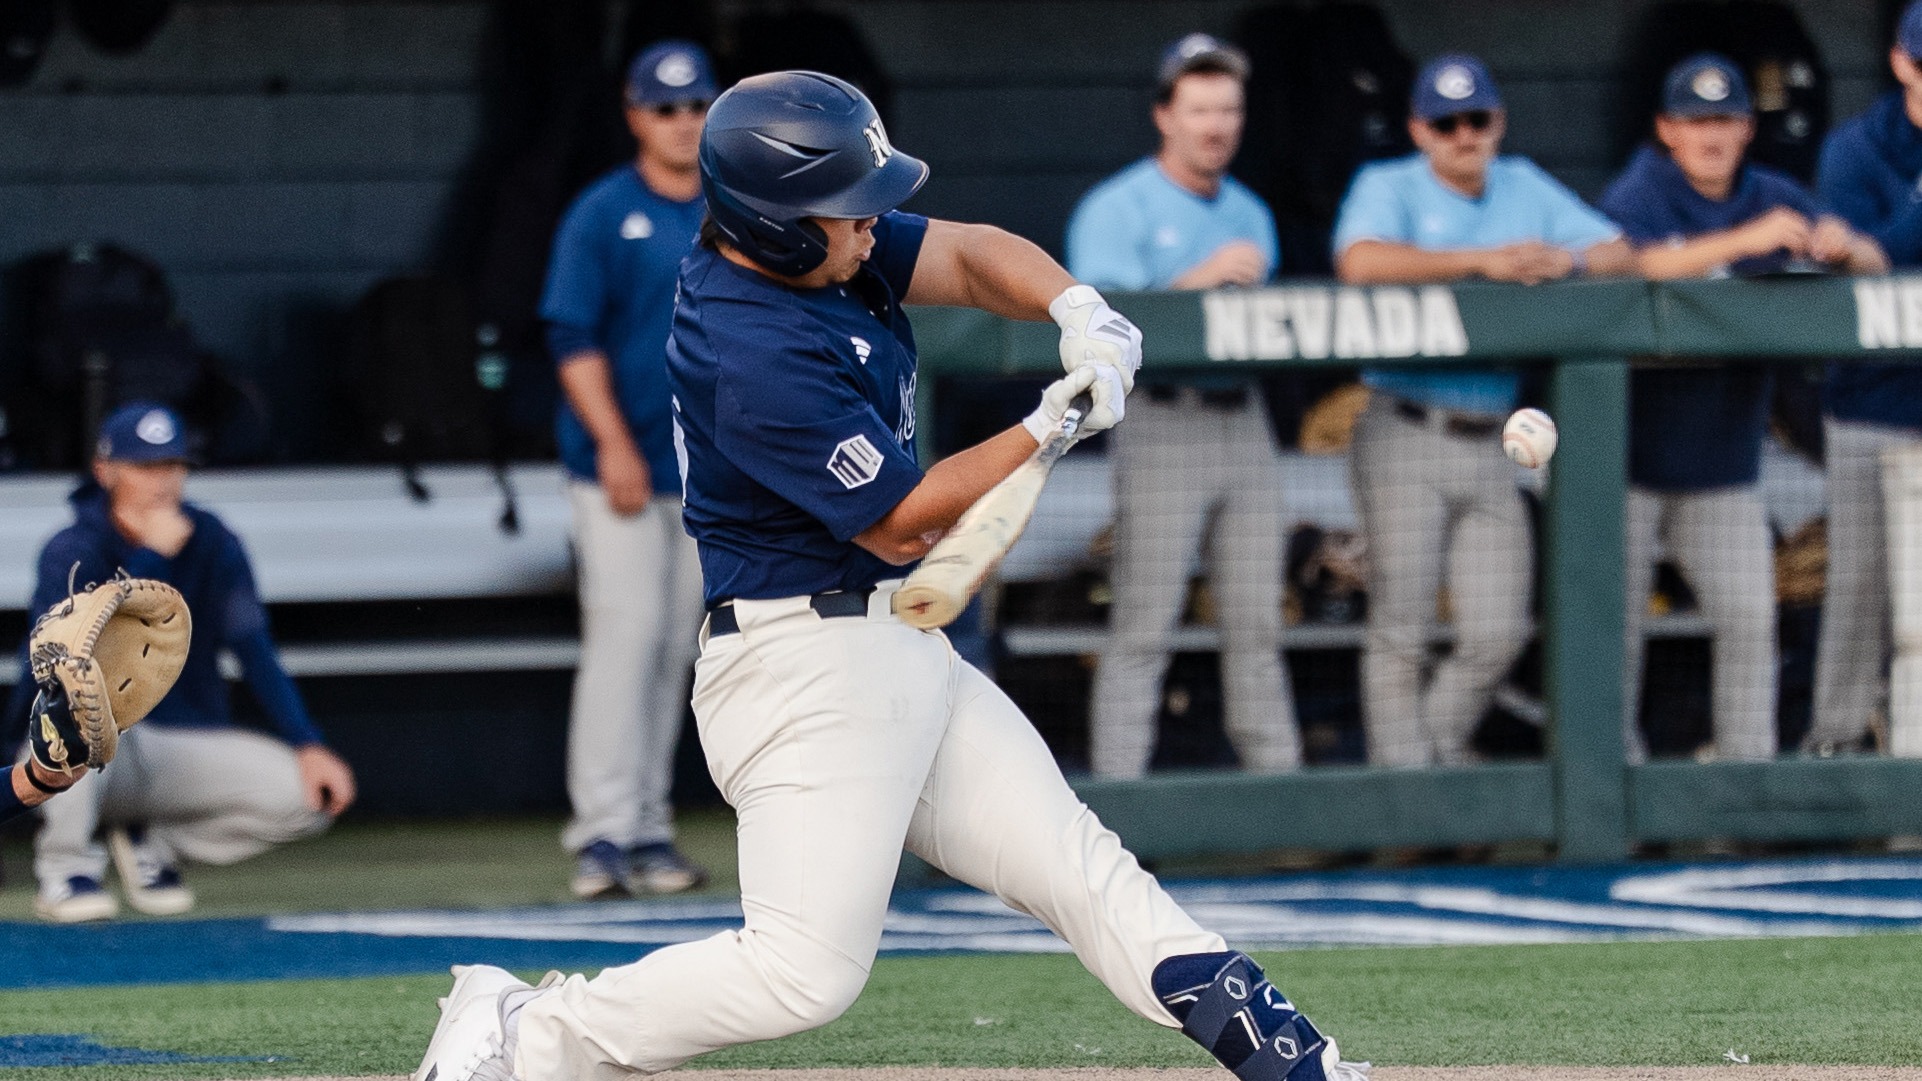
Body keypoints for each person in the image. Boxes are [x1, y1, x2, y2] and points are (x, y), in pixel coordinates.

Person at [414, 72, 1367, 1081]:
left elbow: (961, 252)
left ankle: (1293, 1062)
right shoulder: (747, 345)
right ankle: (523, 1037)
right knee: (800, 974)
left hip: (897, 646)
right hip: (800, 669)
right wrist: (1049, 424)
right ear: (777, 227)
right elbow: (900, 526)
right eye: (850, 213)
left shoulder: (825, 257)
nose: (874, 227)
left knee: (1076, 867)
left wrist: (1075, 308)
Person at [1333, 54, 1633, 767]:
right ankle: (1407, 797)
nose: (1464, 135)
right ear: (1419, 129)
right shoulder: (1389, 184)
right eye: (1447, 123)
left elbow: (1622, 250)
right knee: (1402, 623)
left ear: (1497, 122)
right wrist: (1480, 262)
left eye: (1477, 120)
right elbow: (1360, 262)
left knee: (1497, 628)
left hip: (1494, 434)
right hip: (1407, 420)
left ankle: (1427, 762)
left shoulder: (1523, 184)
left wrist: (1574, 264)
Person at [1599, 54, 1886, 763]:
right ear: (1667, 129)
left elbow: (1875, 266)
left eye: (1724, 120)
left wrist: (1842, 245)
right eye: (1695, 122)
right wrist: (1742, 244)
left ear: (1747, 128)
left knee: (1750, 623)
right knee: (1612, 633)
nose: (1711, 136)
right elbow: (1625, 261)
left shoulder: (1772, 192)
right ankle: (1616, 789)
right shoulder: (1644, 188)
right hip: (1624, 463)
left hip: (1723, 465)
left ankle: (1741, 789)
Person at [10, 403, 356, 923]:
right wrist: (149, 558)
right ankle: (66, 868)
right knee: (71, 726)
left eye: (173, 466)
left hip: (176, 744)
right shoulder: (72, 548)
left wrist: (306, 742)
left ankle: (156, 844)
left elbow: (253, 646)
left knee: (306, 796)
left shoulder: (211, 540)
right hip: (84, 747)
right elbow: (68, 663)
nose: (162, 482)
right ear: (106, 471)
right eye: (144, 467)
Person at [1068, 33, 1299, 779]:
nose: (1216, 124)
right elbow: (1097, 328)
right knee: (1145, 622)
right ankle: (1118, 802)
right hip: (1162, 418)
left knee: (1259, 623)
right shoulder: (1117, 207)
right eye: (1199, 108)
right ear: (1166, 114)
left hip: (1245, 418)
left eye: (1228, 109)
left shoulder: (1251, 211)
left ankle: (1279, 795)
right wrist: (1198, 278)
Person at [538, 39, 714, 899]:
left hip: (704, 470)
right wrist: (612, 441)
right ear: (636, 115)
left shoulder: (734, 206)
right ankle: (602, 832)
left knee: (677, 646)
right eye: (666, 108)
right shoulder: (604, 210)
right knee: (624, 634)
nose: (683, 123)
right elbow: (571, 337)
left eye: (695, 106)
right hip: (618, 464)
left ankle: (648, 825)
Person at [1807, 0, 1922, 753]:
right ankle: (1836, 749)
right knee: (1859, 598)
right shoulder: (1858, 148)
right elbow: (1869, 260)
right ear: (1904, 63)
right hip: (1872, 409)